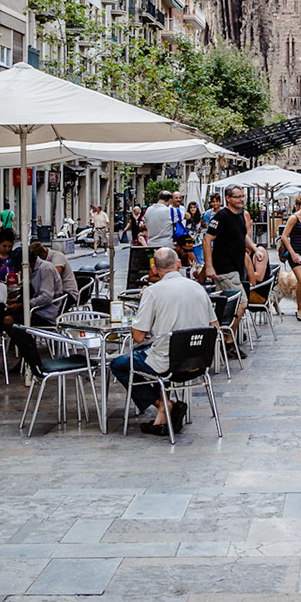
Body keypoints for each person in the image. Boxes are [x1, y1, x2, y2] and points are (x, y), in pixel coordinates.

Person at [110, 247, 217, 436]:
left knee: (119, 364)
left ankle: (163, 404)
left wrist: (145, 303)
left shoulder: (153, 292)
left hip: (168, 363)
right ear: (178, 265)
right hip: (198, 361)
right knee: (159, 350)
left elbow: (138, 336)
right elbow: (214, 326)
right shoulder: (197, 288)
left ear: (154, 270)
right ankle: (162, 414)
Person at [203, 186, 256, 358]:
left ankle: (224, 338)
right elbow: (207, 239)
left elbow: (243, 236)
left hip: (236, 267)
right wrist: (209, 266)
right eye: (238, 197)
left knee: (234, 305)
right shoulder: (222, 216)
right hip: (225, 268)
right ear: (228, 198)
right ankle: (226, 340)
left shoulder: (239, 216)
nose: (241, 199)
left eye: (243, 196)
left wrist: (255, 249)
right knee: (241, 303)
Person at [275, 195, 301, 321]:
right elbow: (284, 236)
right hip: (295, 253)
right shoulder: (294, 218)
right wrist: (292, 253)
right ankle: (299, 310)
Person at [184, 201, 206, 267]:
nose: (193, 209)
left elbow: (205, 226)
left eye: (194, 207)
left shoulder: (200, 217)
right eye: (191, 208)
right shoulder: (186, 218)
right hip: (187, 242)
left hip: (197, 242)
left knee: (199, 261)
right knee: (189, 262)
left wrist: (201, 228)